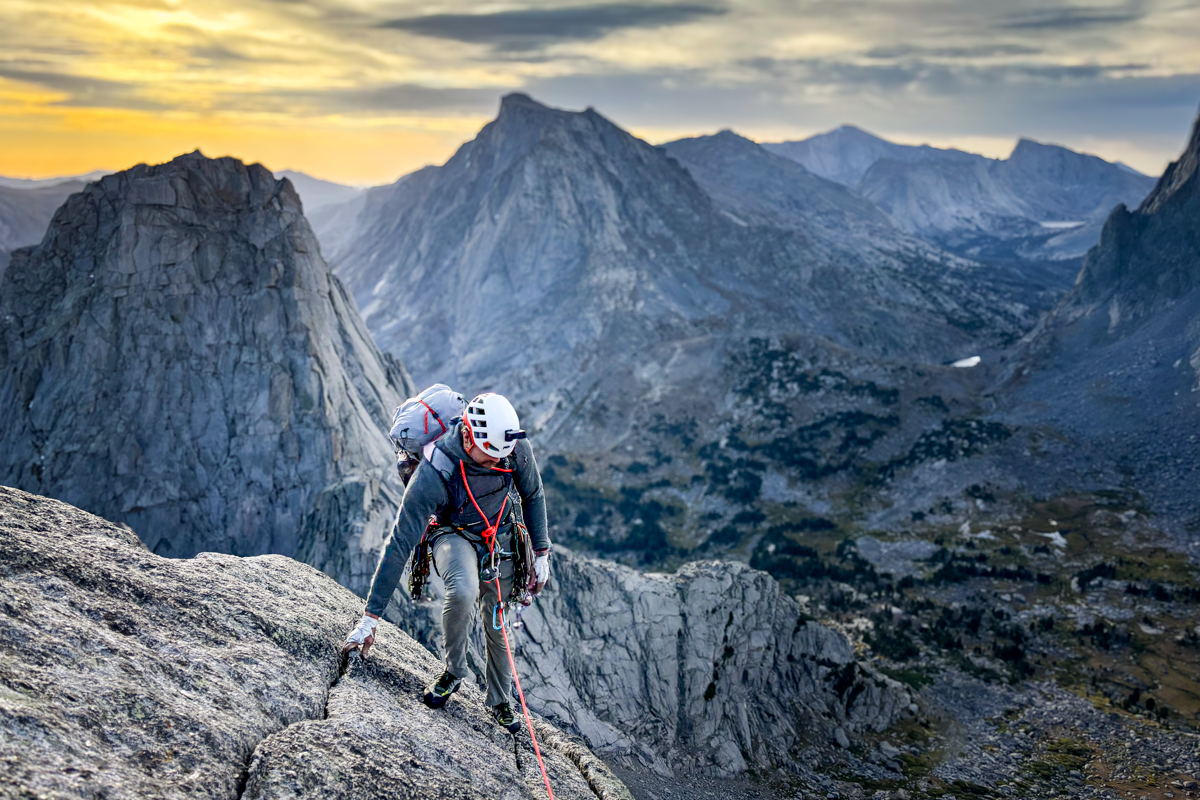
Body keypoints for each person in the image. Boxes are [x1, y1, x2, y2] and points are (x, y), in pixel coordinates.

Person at [342, 392, 551, 733]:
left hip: (500, 533)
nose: (499, 463)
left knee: (498, 621)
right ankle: (454, 671)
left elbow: (533, 495)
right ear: (468, 436)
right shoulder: (435, 470)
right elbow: (399, 542)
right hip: (453, 533)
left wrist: (541, 553)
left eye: (503, 457)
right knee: (463, 591)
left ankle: (500, 700)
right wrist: (370, 618)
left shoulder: (511, 447)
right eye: (490, 458)